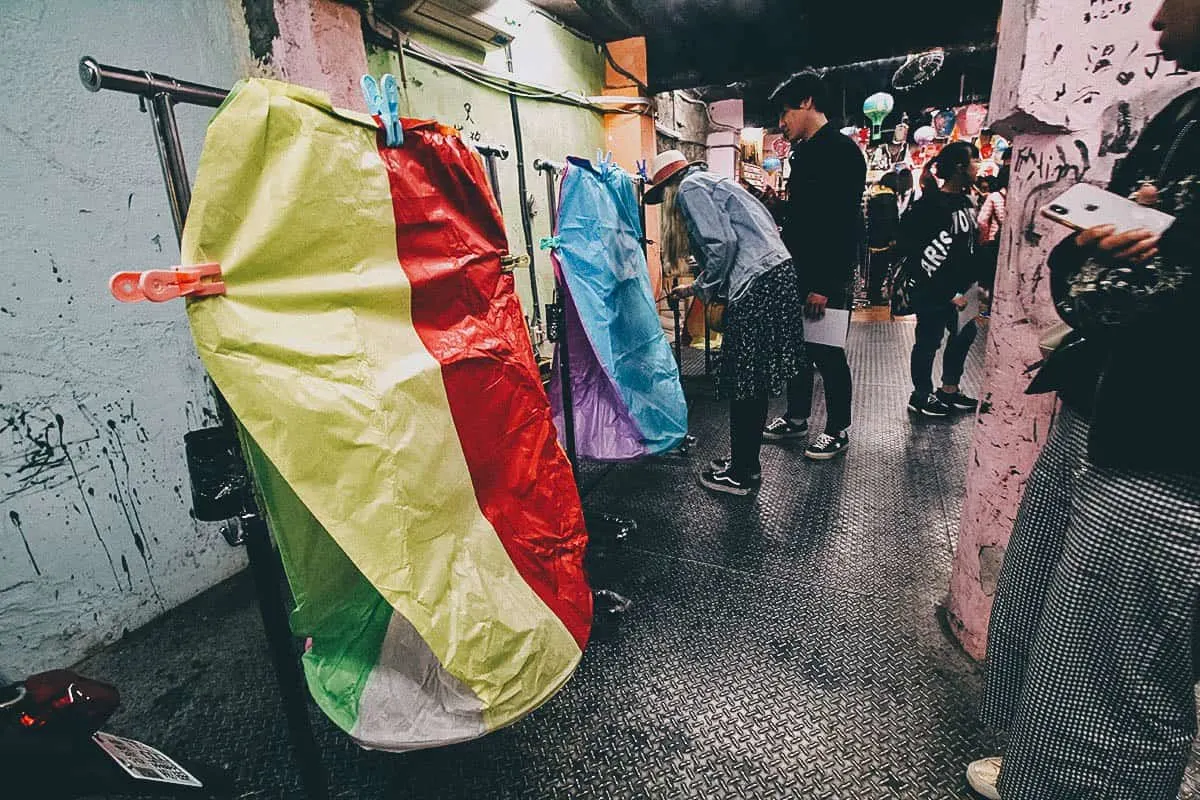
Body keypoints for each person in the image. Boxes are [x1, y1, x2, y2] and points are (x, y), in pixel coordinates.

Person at [969, 1, 1200, 797]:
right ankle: (1038, 766)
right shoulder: (1184, 113)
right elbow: (1089, 280)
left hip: (1171, 453)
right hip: (1107, 408)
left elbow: (1125, 284)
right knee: (1051, 633)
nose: (1162, 14)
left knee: (1113, 688)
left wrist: (1128, 259)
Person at [647, 150, 806, 496]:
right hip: (774, 278)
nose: (666, 206)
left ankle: (742, 474)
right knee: (755, 380)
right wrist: (696, 286)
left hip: (758, 285)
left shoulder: (690, 189)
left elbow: (722, 245)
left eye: (662, 197)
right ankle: (743, 462)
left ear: (670, 185)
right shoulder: (717, 182)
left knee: (745, 382)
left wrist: (702, 289)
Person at [761, 70, 866, 460]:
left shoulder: (839, 151)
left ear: (806, 103)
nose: (781, 123)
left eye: (785, 113)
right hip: (799, 269)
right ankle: (796, 417)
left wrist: (825, 283)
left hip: (824, 277)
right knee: (797, 349)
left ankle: (837, 429)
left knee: (827, 352)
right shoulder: (806, 152)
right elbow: (807, 215)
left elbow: (843, 222)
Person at [898, 141, 983, 417]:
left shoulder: (967, 202)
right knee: (928, 341)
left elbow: (968, 248)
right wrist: (947, 292)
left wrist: (976, 284)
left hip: (962, 289)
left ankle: (949, 390)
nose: (977, 167)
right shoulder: (930, 205)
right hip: (933, 290)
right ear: (960, 167)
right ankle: (920, 394)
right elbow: (914, 252)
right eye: (974, 161)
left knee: (965, 334)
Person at [865, 172, 901, 305]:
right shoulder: (889, 196)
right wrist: (893, 237)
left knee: (873, 269)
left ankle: (871, 294)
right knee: (880, 269)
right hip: (883, 240)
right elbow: (891, 219)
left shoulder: (875, 193)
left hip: (873, 237)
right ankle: (875, 297)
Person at [976, 165, 1008, 293]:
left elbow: (981, 220)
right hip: (1011, 243)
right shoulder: (1019, 197)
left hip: (994, 242)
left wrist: (984, 237)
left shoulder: (995, 196)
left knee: (993, 278)